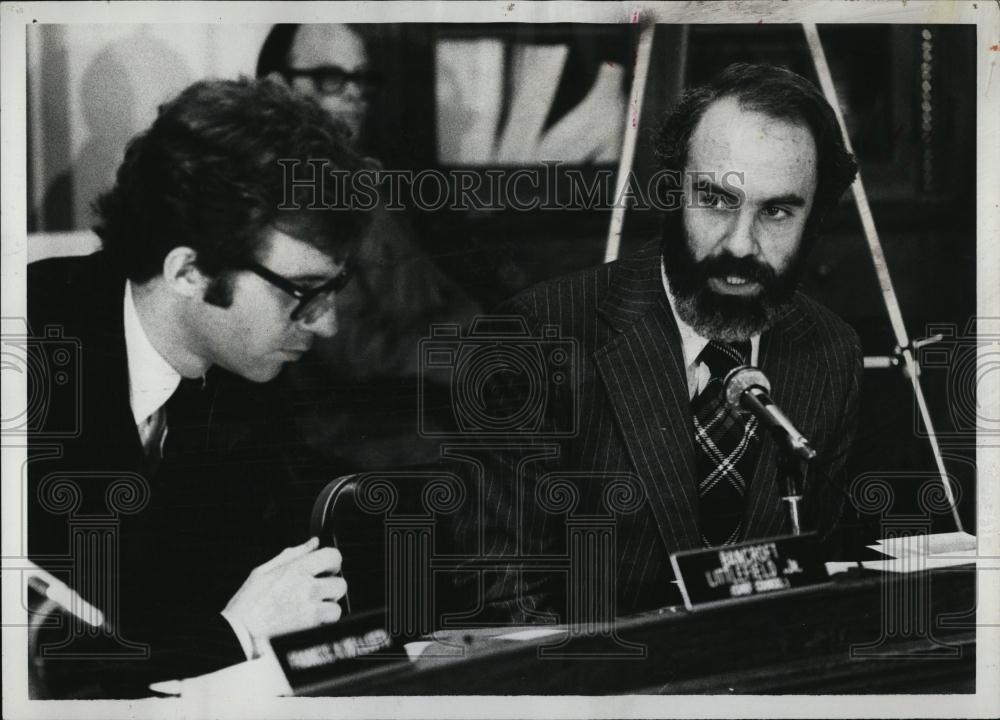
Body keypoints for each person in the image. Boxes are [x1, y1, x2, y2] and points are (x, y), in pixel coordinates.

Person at [451, 63, 863, 624]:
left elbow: (824, 576)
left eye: (776, 211)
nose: (741, 244)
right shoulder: (536, 338)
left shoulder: (830, 352)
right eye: (717, 200)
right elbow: (502, 600)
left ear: (812, 220)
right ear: (672, 191)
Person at [26, 78, 368, 696]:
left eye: (335, 289)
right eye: (302, 292)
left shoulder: (248, 372)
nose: (327, 323)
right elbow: (40, 660)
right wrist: (232, 635)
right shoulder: (27, 345)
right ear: (188, 272)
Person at [256, 24, 482, 469]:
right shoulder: (290, 197)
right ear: (277, 86)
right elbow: (350, 347)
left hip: (430, 398)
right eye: (330, 77)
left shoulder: (361, 179)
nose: (354, 94)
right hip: (363, 429)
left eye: (361, 78)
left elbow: (433, 294)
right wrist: (479, 356)